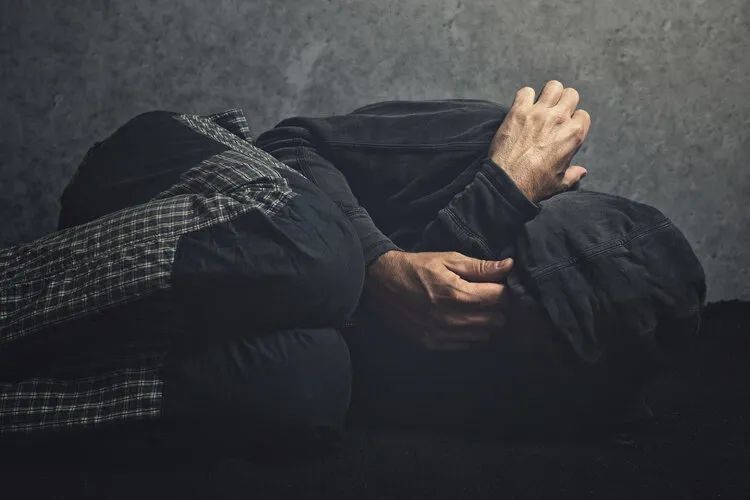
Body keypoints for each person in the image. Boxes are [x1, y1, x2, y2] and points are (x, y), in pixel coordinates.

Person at [0, 82, 705, 441]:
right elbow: (289, 144)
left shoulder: (553, 389)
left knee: (311, 385)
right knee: (328, 256)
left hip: (196, 297)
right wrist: (394, 255)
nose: (479, 317)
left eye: (506, 330)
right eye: (500, 285)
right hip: (181, 175)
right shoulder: (500, 149)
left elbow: (378, 358)